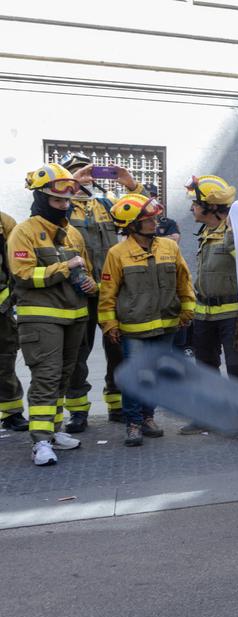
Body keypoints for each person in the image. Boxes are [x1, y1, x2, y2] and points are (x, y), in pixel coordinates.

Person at [7, 164, 98, 466]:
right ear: (41, 198)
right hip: (41, 318)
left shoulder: (72, 232)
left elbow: (85, 268)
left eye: (67, 201)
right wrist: (65, 268)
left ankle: (54, 430)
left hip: (74, 316)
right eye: (58, 201)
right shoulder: (24, 231)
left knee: (63, 375)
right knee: (46, 378)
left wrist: (89, 282)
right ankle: (41, 442)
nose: (64, 206)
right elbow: (22, 275)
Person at [99, 193, 195, 446]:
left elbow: (184, 281)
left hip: (167, 324)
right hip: (134, 328)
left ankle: (148, 417)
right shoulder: (117, 253)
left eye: (154, 218)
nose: (156, 223)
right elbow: (107, 293)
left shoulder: (169, 247)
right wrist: (109, 324)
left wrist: (187, 310)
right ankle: (133, 423)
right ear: (132, 225)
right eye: (149, 220)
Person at [61, 153, 141, 432]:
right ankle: (79, 412)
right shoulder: (61, 207)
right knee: (77, 354)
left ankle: (117, 404)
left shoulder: (105, 204)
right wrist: (70, 185)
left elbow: (142, 213)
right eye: (78, 172)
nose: (87, 176)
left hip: (110, 291)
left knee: (117, 349)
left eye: (89, 172)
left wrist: (131, 186)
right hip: (78, 293)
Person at [180, 175, 238, 437]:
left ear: (210, 207)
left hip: (231, 314)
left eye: (196, 203)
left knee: (237, 368)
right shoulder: (206, 232)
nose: (192, 208)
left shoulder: (235, 232)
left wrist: (234, 238)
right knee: (205, 366)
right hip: (204, 313)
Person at [0, 210, 28, 431]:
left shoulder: (4, 221)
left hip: (1, 308)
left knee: (4, 361)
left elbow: (15, 264)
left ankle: (11, 413)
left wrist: (10, 299)